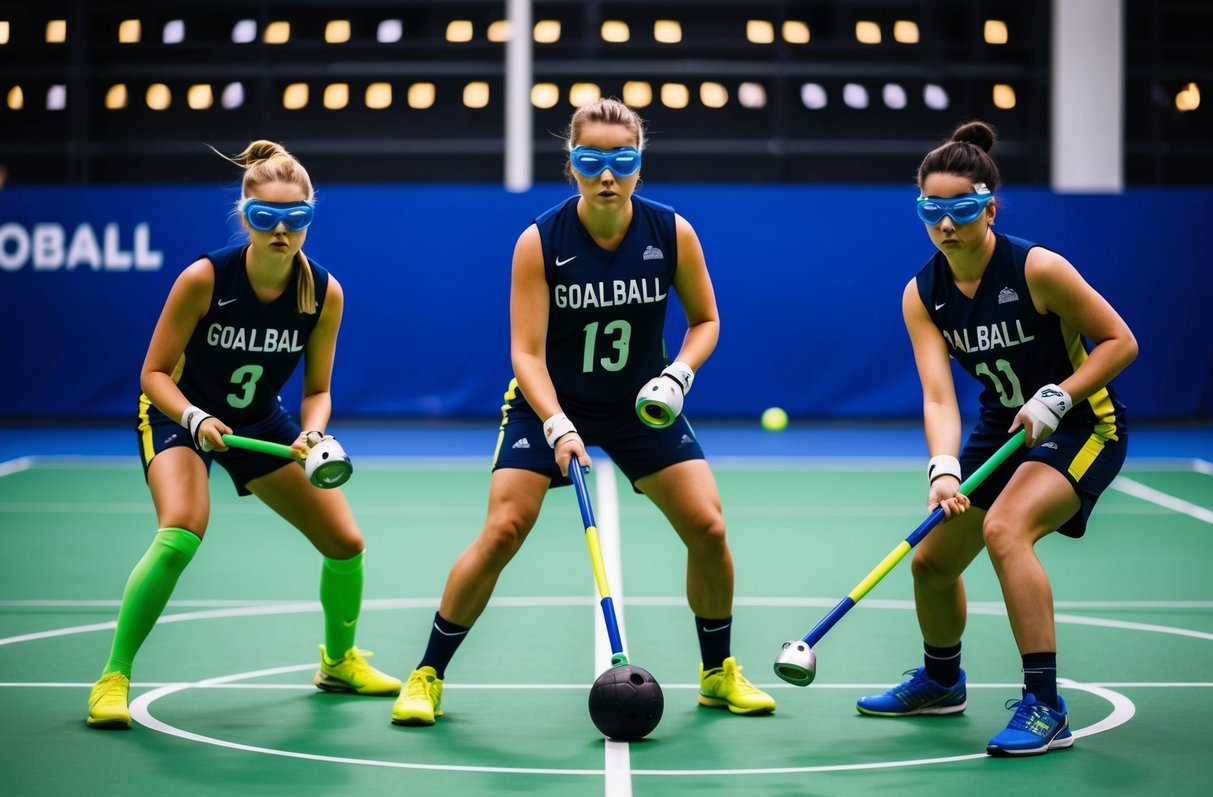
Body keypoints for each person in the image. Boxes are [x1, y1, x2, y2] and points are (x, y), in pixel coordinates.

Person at [390, 98, 775, 727]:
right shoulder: (539, 241)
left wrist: (678, 374)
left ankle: (717, 673)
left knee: (707, 526)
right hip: (549, 402)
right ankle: (427, 674)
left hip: (641, 406)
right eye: (590, 160)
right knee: (505, 529)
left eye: (621, 160)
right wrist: (557, 423)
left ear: (639, 166)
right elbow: (526, 353)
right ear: (570, 164)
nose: (606, 174)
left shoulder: (671, 232)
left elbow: (706, 321)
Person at [86, 140, 400, 729]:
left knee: (345, 543)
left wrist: (312, 433)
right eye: (265, 217)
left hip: (258, 421)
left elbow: (318, 389)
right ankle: (112, 678)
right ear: (245, 216)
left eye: (296, 218)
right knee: (181, 532)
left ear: (310, 216)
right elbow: (153, 373)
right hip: (178, 417)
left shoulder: (322, 293)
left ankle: (338, 662)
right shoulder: (205, 278)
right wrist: (194, 419)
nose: (281, 230)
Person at [855, 122, 1137, 756]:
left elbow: (1121, 342)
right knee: (931, 560)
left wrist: (1060, 394)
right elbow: (936, 394)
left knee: (1005, 530)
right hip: (1001, 428)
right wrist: (944, 468)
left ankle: (1045, 705)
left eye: (960, 209)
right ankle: (941, 679)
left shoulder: (1038, 268)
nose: (945, 224)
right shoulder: (922, 293)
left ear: (988, 206)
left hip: (1085, 424)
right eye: (932, 210)